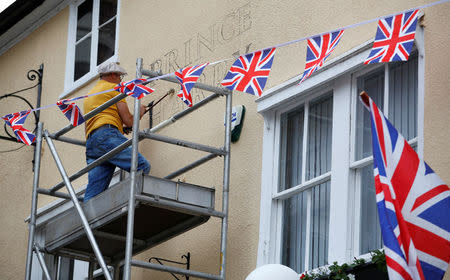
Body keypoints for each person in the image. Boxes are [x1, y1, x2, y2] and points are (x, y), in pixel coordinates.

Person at [83, 62, 150, 202]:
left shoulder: (90, 94)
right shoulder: (114, 88)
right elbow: (130, 120)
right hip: (106, 136)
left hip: (92, 143)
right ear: (113, 74)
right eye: (120, 76)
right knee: (142, 166)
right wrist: (141, 111)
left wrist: (118, 127)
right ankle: (126, 202)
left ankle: (86, 221)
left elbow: (98, 119)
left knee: (94, 193)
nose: (121, 80)